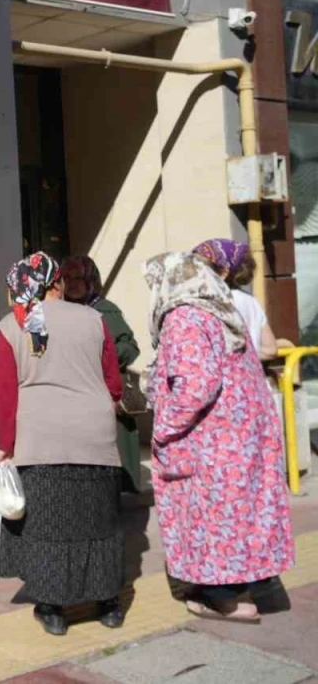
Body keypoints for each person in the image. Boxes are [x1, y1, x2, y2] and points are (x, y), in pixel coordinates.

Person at [143, 251, 295, 621]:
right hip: (243, 434)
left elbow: (195, 386)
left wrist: (164, 428)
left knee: (209, 516)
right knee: (239, 513)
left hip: (211, 440)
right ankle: (252, 585)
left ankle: (225, 600)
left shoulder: (184, 317)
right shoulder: (220, 310)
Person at [0, 253, 128, 636]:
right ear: (57, 283)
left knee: (47, 524)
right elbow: (113, 383)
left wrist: (5, 444)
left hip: (40, 438)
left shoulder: (12, 325)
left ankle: (53, 610)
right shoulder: (94, 318)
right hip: (94, 435)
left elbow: (6, 392)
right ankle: (108, 605)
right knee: (98, 520)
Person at [63, 255, 144, 492]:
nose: (72, 284)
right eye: (67, 278)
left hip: (107, 395)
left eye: (78, 278)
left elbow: (130, 348)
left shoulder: (105, 310)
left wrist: (101, 356)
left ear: (90, 280)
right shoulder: (60, 312)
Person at [192, 239, 278, 360]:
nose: (191, 273)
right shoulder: (250, 301)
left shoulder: (212, 302)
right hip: (251, 370)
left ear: (223, 273)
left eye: (199, 268)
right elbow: (270, 350)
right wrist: (247, 358)